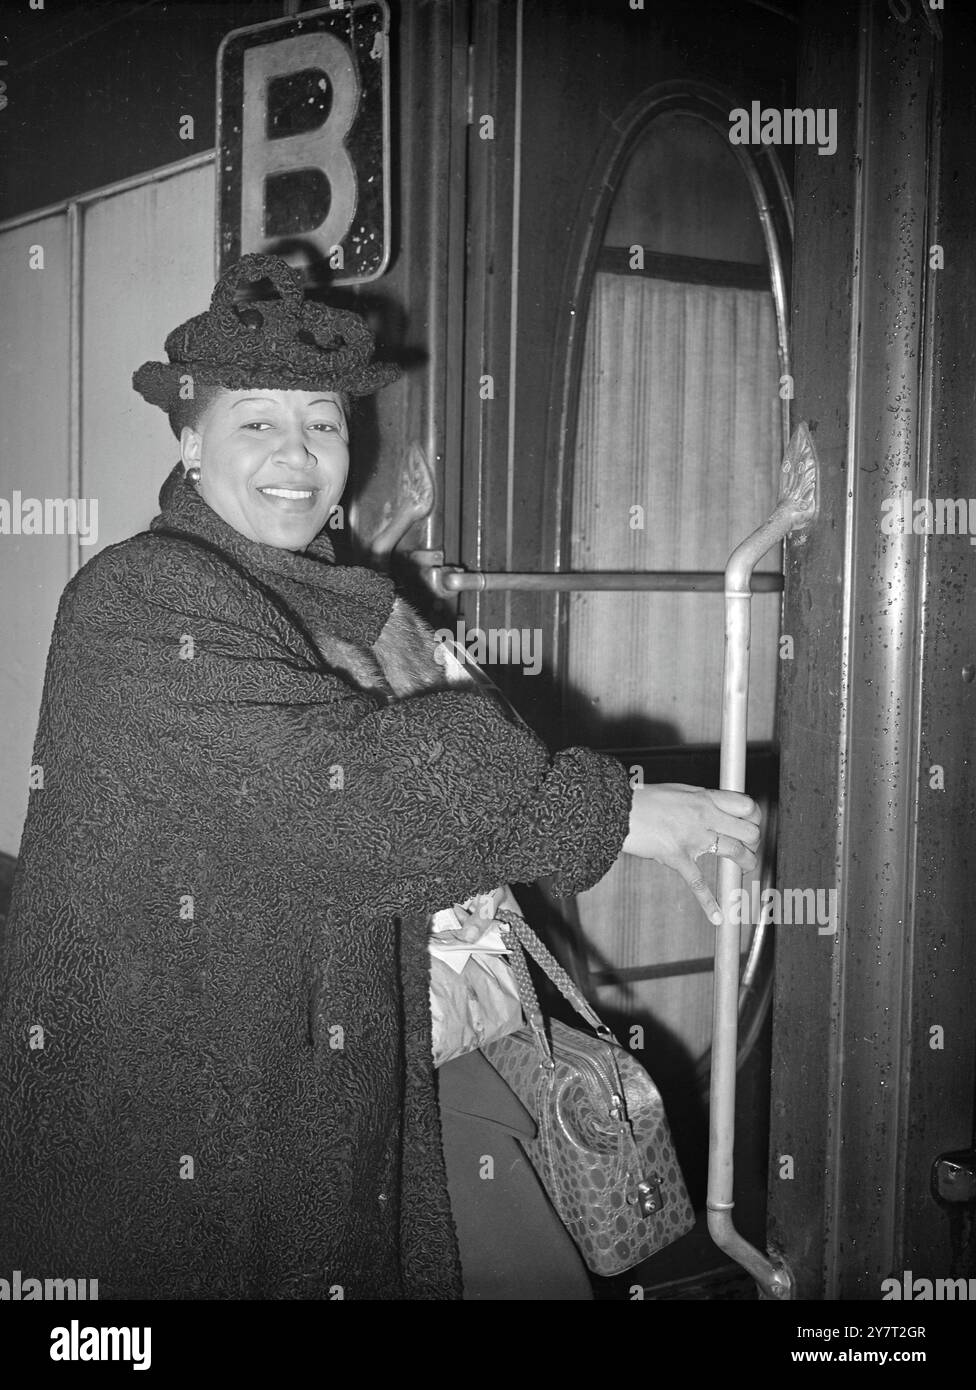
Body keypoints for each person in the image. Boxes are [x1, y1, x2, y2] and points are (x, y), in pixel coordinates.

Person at [0, 254, 761, 1300]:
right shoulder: (138, 598)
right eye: (255, 421)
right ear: (189, 440)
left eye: (322, 421)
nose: (297, 452)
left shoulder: (350, 598)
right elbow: (349, 794)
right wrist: (622, 812)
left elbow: (470, 758)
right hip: (195, 1121)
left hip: (386, 1053)